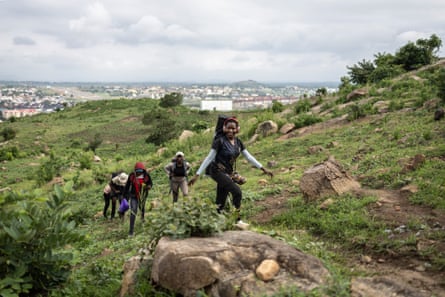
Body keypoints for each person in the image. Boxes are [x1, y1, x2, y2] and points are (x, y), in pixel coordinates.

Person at [188, 117, 273, 229]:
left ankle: (214, 221)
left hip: (227, 173)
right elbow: (209, 158)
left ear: (237, 129)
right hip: (216, 171)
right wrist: (197, 175)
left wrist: (263, 168)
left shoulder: (238, 142)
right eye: (228, 128)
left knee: (220, 201)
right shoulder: (220, 141)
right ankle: (237, 220)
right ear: (224, 128)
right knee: (237, 192)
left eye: (233, 128)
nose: (231, 131)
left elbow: (248, 157)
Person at [123, 162, 153, 236]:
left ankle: (142, 218)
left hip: (143, 196)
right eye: (137, 172)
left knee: (142, 208)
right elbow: (127, 186)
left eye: (140, 172)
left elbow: (150, 183)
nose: (139, 174)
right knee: (133, 211)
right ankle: (131, 231)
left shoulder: (146, 176)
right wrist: (125, 197)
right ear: (135, 171)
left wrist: (148, 186)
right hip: (133, 196)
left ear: (143, 170)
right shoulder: (132, 176)